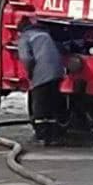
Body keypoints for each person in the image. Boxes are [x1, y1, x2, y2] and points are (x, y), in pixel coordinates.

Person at [17, 14, 67, 143]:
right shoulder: (45, 35)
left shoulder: (25, 37)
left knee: (39, 105)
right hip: (57, 72)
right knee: (52, 102)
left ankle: (42, 134)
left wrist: (30, 72)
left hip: (41, 73)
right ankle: (55, 133)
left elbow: (26, 58)